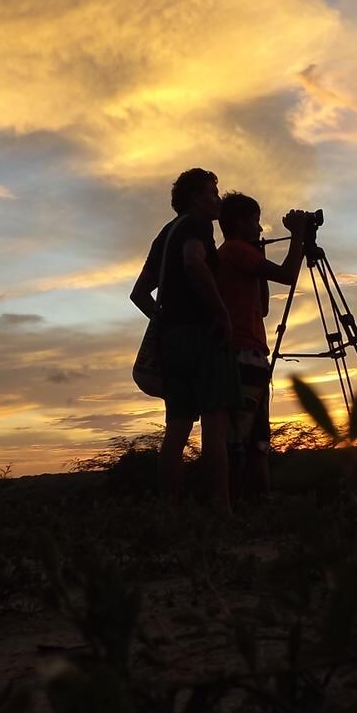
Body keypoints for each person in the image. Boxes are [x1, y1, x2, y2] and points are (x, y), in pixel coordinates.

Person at [130, 168, 239, 512]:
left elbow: (139, 294)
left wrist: (165, 321)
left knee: (177, 429)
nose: (217, 200)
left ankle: (170, 509)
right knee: (215, 426)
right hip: (203, 337)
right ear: (195, 198)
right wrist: (220, 312)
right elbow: (194, 262)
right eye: (212, 192)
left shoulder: (165, 235)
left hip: (172, 342)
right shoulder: (197, 226)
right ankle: (221, 510)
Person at [215, 192, 307, 501]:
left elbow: (264, 307)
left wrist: (259, 264)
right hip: (243, 353)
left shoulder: (238, 253)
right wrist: (298, 236)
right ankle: (241, 502)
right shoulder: (235, 250)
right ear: (239, 223)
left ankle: (256, 501)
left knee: (257, 438)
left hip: (247, 352)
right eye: (254, 220)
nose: (259, 227)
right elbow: (289, 275)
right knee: (243, 438)